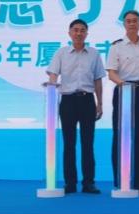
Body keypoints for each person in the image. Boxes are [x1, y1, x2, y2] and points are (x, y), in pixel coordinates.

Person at [45, 19, 106, 194]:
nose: (79, 33)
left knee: (88, 143)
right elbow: (53, 75)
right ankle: (70, 183)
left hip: (87, 100)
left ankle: (88, 183)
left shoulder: (94, 54)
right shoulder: (61, 53)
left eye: (82, 30)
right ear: (70, 33)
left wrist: (100, 103)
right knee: (69, 144)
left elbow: (98, 80)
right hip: (68, 101)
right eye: (75, 30)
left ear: (86, 33)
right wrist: (51, 91)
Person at [106, 10, 139, 194]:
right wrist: (124, 84)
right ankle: (120, 180)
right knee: (120, 137)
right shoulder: (117, 47)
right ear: (124, 24)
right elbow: (111, 73)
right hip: (123, 91)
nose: (132, 24)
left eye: (135, 21)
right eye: (128, 21)